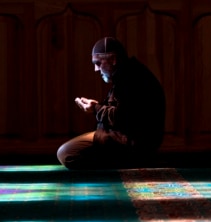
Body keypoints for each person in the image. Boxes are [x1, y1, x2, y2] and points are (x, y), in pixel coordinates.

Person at [56, 37, 166, 170]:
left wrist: (95, 108)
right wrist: (97, 107)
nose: (96, 69)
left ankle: (129, 163)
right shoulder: (129, 73)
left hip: (134, 142)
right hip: (129, 137)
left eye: (98, 62)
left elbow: (122, 116)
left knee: (67, 153)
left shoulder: (131, 79)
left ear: (113, 60)